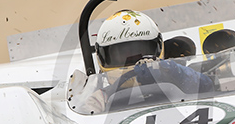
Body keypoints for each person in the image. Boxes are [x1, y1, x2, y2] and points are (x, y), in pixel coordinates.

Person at [70, 10, 213, 113]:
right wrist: (90, 107)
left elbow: (207, 86)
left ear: (159, 49)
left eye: (140, 53)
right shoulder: (101, 97)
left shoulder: (174, 74)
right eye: (121, 56)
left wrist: (173, 71)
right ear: (102, 58)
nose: (134, 63)